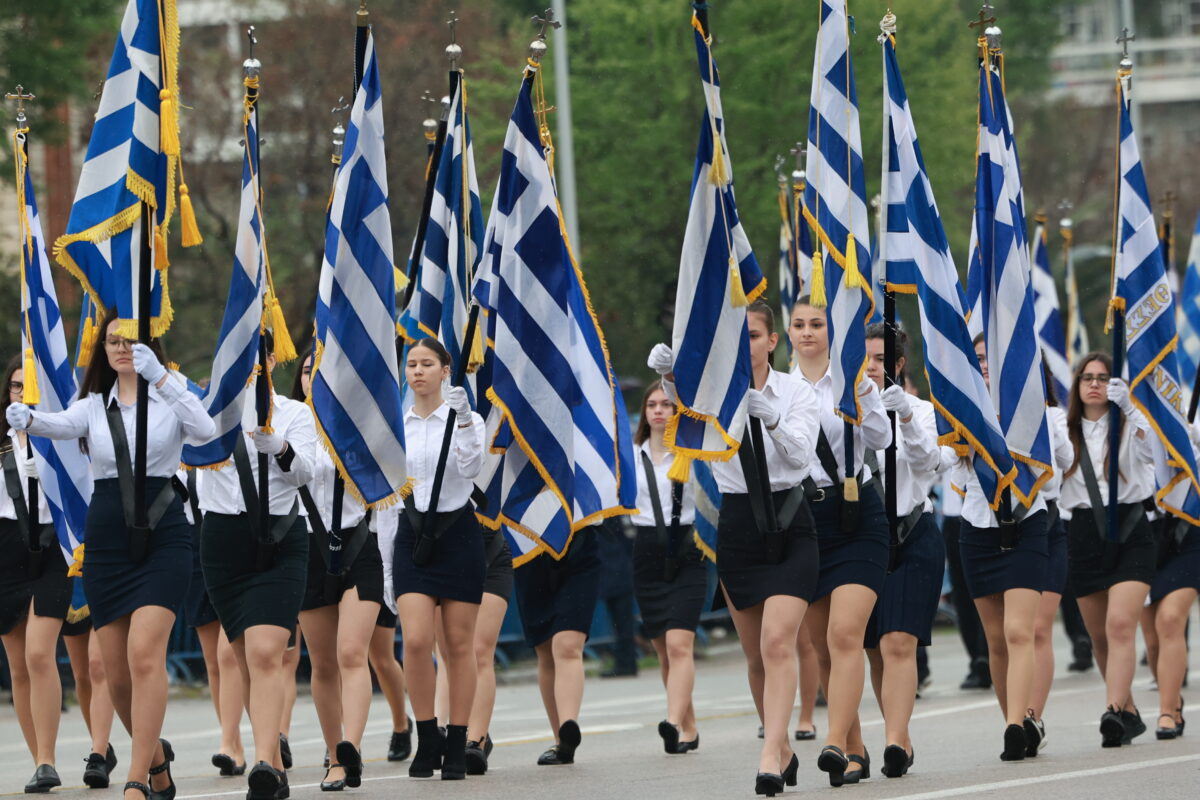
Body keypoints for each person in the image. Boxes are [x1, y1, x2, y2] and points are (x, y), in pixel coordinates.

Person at [7, 310, 216, 800]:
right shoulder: (95, 404)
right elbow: (59, 425)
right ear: (102, 351)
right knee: (115, 672)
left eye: (131, 341)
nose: (121, 348)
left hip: (163, 531)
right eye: (113, 342)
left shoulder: (172, 389)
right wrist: (29, 418)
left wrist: (161, 378)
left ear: (149, 346)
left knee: (146, 654)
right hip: (106, 537)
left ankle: (137, 776)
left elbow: (204, 430)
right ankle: (157, 759)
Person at [651, 298, 820, 796]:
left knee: (777, 642)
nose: (745, 345)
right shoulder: (711, 391)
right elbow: (681, 421)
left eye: (753, 335)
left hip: (791, 518)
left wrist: (771, 420)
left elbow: (803, 453)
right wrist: (669, 379)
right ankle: (782, 746)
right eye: (737, 336)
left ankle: (770, 750)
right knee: (754, 656)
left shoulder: (796, 391)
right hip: (740, 521)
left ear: (772, 341)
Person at [198, 331, 314, 800]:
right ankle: (267, 754)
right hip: (224, 540)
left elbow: (310, 471)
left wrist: (281, 449)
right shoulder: (210, 412)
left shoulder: (295, 412)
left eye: (259, 355)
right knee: (245, 659)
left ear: (272, 358)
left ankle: (266, 763)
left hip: (281, 537)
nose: (251, 364)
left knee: (268, 653)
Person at [789, 298, 891, 786]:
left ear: (834, 330)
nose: (807, 332)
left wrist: (865, 394)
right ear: (785, 333)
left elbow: (882, 438)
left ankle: (832, 741)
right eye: (799, 324)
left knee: (845, 634)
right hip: (805, 520)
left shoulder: (851, 379)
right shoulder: (779, 388)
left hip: (857, 512)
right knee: (822, 647)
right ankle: (854, 747)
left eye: (817, 324)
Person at [292, 350, 384, 791]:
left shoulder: (362, 422)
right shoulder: (287, 422)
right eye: (308, 371)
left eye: (324, 371)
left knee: (352, 652)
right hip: (307, 547)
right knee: (323, 664)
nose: (315, 378)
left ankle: (352, 745)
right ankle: (334, 756)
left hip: (357, 545)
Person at [394, 337, 485, 780]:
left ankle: (456, 739)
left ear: (445, 370)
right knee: (414, 639)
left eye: (427, 364)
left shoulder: (466, 418)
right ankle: (426, 732)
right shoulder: (397, 422)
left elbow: (471, 470)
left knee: (457, 643)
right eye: (411, 364)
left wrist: (465, 422)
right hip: (411, 535)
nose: (418, 372)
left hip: (458, 535)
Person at [860, 324, 947, 778]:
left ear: (896, 365)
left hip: (912, 533)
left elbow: (929, 463)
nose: (871, 367)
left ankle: (894, 738)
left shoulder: (920, 410)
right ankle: (901, 735)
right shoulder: (845, 412)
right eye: (865, 358)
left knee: (898, 642)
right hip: (863, 540)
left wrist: (906, 419)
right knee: (874, 647)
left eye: (879, 359)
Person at [955, 334, 1048, 761]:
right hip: (978, 523)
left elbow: (1054, 461)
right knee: (995, 639)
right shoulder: (960, 407)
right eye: (977, 359)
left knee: (1017, 631)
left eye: (991, 357)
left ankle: (1018, 721)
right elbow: (938, 462)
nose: (985, 365)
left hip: (1026, 520)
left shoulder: (1030, 407)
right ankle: (1012, 720)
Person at [1059, 352, 1156, 747]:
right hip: (1082, 531)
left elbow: (1157, 454)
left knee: (1120, 626)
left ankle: (1113, 710)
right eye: (1087, 378)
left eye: (1103, 377)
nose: (1095, 384)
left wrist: (1130, 408)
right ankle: (1128, 712)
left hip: (1131, 528)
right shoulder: (1062, 430)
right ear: (1077, 386)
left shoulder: (1130, 424)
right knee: (1098, 636)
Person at [1, 356, 69, 792]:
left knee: (40, 653)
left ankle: (48, 757)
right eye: (13, 387)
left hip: (51, 547)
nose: (20, 394)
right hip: (6, 548)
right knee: (17, 665)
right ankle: (38, 761)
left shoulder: (59, 437)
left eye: (29, 388)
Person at [629, 379, 705, 755]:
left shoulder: (691, 452)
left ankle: (672, 722)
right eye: (652, 405)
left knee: (679, 643)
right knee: (662, 648)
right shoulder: (630, 454)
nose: (658, 410)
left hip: (688, 548)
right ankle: (687, 726)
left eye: (666, 405)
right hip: (646, 552)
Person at [1023, 364, 1074, 755]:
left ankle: (1032, 717)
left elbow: (1066, 458)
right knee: (1008, 633)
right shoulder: (976, 405)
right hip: (996, 525)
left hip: (1046, 517)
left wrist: (1040, 415)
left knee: (1039, 627)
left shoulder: (1052, 413)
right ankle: (1013, 716)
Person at [60, 581, 118, 789]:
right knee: (82, 675)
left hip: (105, 572)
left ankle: (98, 754)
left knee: (97, 666)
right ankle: (102, 747)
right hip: (72, 579)